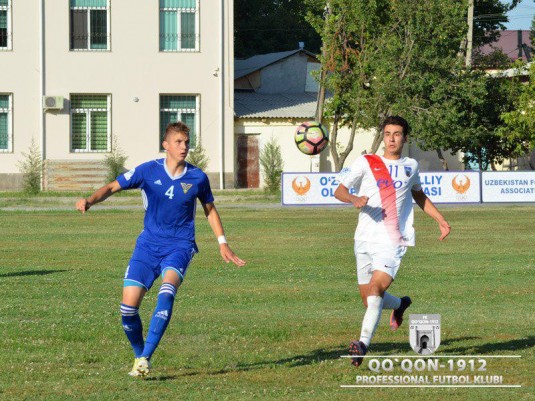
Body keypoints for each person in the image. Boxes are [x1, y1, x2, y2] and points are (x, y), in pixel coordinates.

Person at [76, 121, 246, 377]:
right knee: (127, 310)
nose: (184, 147)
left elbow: (209, 209)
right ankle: (138, 354)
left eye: (187, 142)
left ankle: (145, 357)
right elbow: (112, 186)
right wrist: (89, 200)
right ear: (165, 145)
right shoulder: (147, 171)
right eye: (178, 142)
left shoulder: (197, 177)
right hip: (147, 246)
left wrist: (223, 242)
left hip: (180, 246)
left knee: (167, 291)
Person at [334, 116, 450, 367]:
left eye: (397, 134)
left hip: (393, 239)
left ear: (405, 138)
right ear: (383, 136)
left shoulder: (411, 165)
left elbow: (419, 195)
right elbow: (339, 190)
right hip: (363, 238)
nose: (392, 138)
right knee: (368, 300)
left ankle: (362, 345)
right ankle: (400, 304)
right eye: (388, 134)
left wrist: (440, 219)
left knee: (375, 293)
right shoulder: (367, 162)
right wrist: (353, 199)